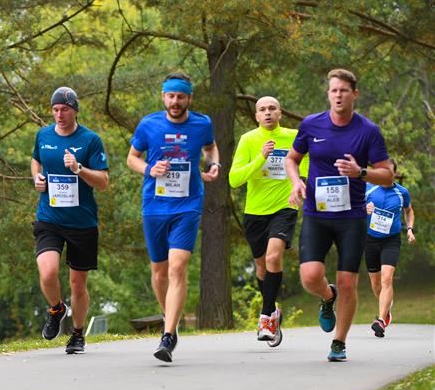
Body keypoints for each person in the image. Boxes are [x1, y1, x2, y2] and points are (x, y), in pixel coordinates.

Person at [286, 68, 394, 362]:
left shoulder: (368, 131)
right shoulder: (311, 125)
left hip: (352, 217)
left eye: (343, 90)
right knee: (310, 277)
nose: (338, 95)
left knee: (348, 282)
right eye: (333, 90)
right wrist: (296, 182)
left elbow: (387, 174)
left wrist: (360, 172)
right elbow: (292, 159)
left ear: (354, 94)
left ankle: (339, 342)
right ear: (328, 94)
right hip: (317, 214)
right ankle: (327, 296)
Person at [126, 72, 219, 362]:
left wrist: (214, 164)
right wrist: (148, 169)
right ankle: (170, 317)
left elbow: (210, 147)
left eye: (180, 96)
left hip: (188, 205)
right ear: (163, 97)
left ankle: (167, 335)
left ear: (189, 98)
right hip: (155, 205)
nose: (175, 101)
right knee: (159, 271)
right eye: (171, 96)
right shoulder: (149, 124)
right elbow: (132, 157)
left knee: (177, 267)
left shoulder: (202, 123)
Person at [32, 87, 109, 354]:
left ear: (75, 110)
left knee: (78, 283)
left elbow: (103, 182)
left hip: (81, 222)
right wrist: (36, 177)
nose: (59, 114)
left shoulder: (90, 140)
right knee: (47, 271)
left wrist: (78, 168)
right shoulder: (43, 135)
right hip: (49, 216)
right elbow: (35, 161)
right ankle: (56, 309)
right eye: (55, 110)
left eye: (64, 109)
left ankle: (77, 334)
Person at [229, 96, 308, 345]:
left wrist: (300, 183)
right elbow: (234, 179)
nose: (267, 113)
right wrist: (261, 157)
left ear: (280, 113)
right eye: (262, 109)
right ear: (256, 116)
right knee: (262, 267)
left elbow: (306, 164)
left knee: (274, 257)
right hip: (255, 212)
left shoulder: (294, 137)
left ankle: (265, 318)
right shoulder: (248, 140)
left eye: (272, 108)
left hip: (285, 207)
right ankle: (273, 310)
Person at [364, 160, 416, 338]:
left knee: (387, 279)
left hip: (391, 241)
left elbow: (409, 211)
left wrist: (410, 229)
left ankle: (380, 320)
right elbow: (353, 209)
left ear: (394, 174)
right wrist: (365, 208)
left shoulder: (402, 192)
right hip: (370, 240)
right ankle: (386, 308)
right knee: (375, 284)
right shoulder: (368, 188)